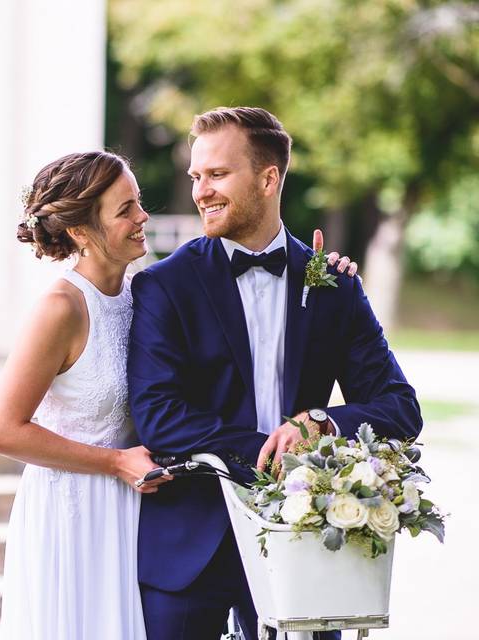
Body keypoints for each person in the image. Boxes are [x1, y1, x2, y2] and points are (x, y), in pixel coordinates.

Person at [0, 149, 359, 639]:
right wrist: (115, 463)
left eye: (138, 202)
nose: (143, 216)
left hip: (136, 507)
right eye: (124, 210)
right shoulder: (61, 307)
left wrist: (319, 271)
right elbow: (2, 433)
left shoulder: (143, 289)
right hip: (75, 509)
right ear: (80, 232)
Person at [127, 107, 423, 640]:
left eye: (217, 174)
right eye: (197, 177)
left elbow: (400, 407)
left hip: (307, 541)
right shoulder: (164, 286)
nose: (200, 192)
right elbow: (158, 416)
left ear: (268, 179)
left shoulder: (334, 285)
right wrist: (274, 450)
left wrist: (322, 424)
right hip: (191, 544)